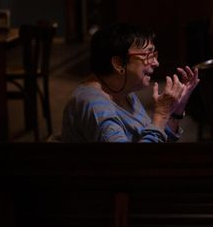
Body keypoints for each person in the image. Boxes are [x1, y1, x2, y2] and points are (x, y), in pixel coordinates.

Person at [62, 23, 199, 143]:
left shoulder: (123, 91)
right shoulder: (95, 106)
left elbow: (156, 142)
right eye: (147, 55)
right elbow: (129, 165)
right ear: (119, 63)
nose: (156, 63)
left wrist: (175, 112)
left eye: (154, 55)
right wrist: (161, 115)